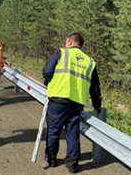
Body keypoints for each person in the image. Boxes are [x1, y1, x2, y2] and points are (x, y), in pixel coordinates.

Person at [42, 32, 102, 173]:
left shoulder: (61, 53)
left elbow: (47, 71)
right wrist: (97, 105)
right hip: (76, 104)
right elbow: (95, 88)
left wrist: (47, 82)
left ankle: (51, 160)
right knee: (72, 133)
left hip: (58, 101)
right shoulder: (89, 62)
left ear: (69, 42)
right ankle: (72, 165)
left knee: (53, 131)